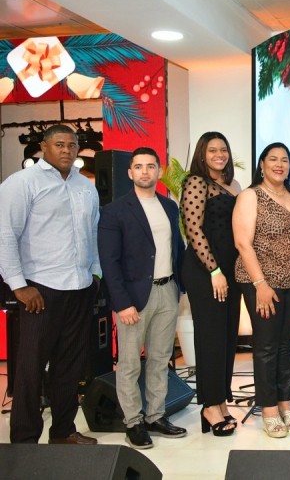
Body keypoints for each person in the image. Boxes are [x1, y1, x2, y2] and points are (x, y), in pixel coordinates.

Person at [0, 124, 101, 444]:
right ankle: (25, 441)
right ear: (44, 147)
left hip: (79, 286)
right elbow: (5, 234)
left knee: (70, 366)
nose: (67, 150)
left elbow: (93, 233)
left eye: (72, 145)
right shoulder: (22, 183)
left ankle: (63, 431)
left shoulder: (85, 187)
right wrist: (19, 285)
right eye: (59, 144)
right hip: (39, 290)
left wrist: (95, 274)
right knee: (30, 369)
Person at [98, 147, 187, 448]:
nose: (145, 172)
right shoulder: (115, 210)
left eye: (151, 166)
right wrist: (122, 303)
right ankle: (133, 422)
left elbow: (177, 249)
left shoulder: (169, 206)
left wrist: (182, 286)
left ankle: (156, 416)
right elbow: (109, 262)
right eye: (139, 167)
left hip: (167, 292)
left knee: (160, 359)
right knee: (129, 363)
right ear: (130, 172)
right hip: (133, 298)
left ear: (159, 171)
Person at [233, 142, 290, 438]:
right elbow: (242, 243)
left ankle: (285, 404)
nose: (279, 164)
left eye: (285, 160)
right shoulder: (250, 196)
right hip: (261, 282)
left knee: (285, 345)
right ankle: (268, 409)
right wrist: (261, 284)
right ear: (262, 164)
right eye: (273, 159)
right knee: (266, 347)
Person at [180, 131, 241, 436]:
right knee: (211, 339)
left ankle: (221, 401)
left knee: (227, 338)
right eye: (213, 150)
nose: (219, 155)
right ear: (202, 154)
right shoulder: (196, 182)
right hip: (206, 271)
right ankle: (209, 406)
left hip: (230, 271)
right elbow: (193, 229)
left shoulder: (234, 185)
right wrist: (215, 271)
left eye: (223, 149)